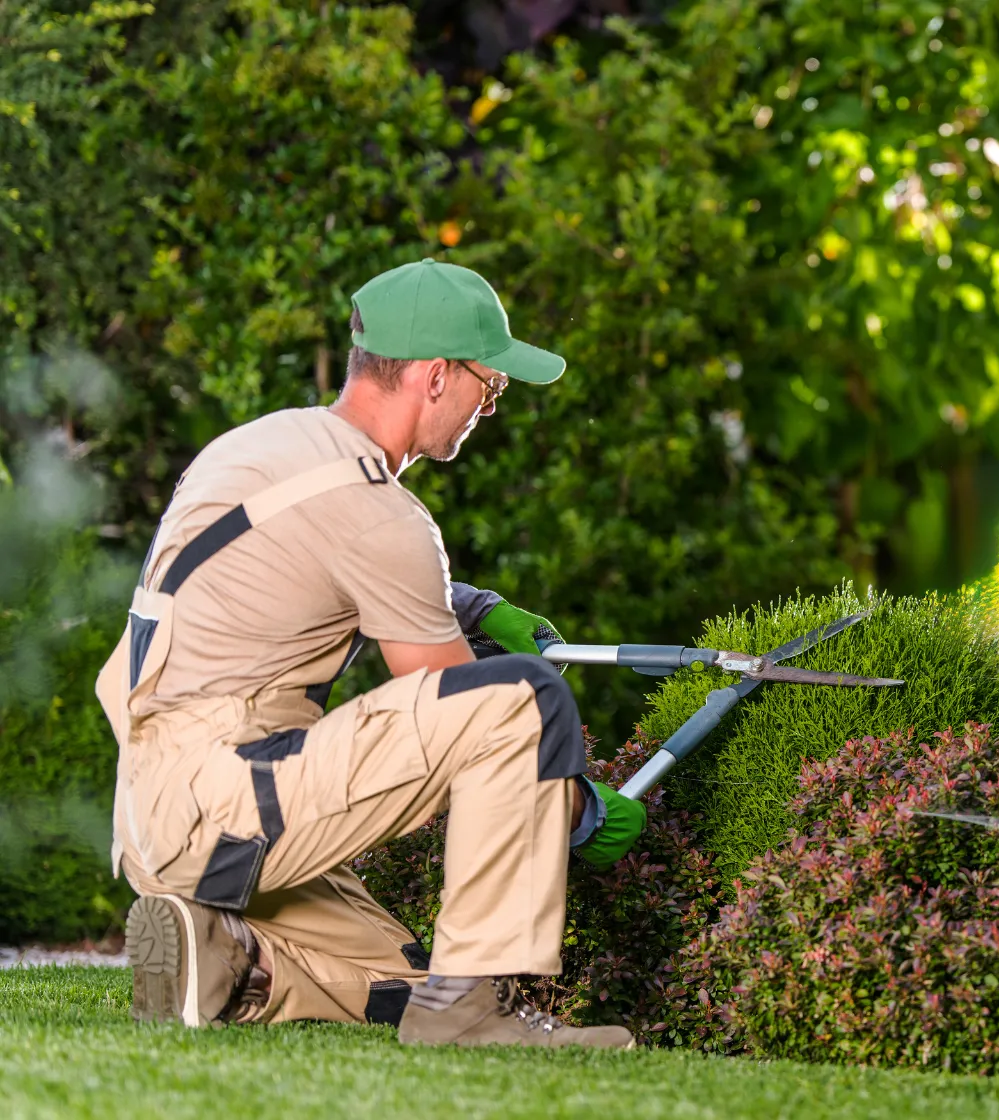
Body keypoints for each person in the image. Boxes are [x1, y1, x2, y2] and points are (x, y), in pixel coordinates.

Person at [95, 259, 645, 1048]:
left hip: (160, 815)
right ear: (431, 376)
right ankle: (467, 1017)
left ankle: (230, 957)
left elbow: (305, 576)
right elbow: (466, 718)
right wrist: (581, 812)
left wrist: (477, 608)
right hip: (229, 803)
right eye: (490, 386)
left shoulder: (266, 446)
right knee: (524, 699)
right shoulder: (380, 513)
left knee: (409, 977)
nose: (490, 407)